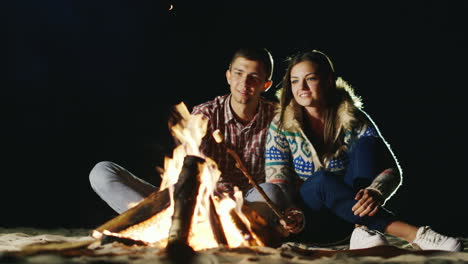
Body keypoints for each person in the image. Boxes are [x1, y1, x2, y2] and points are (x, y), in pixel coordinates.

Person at [263, 49, 463, 251]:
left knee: (366, 144)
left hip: (352, 218)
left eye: (310, 78)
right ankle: (415, 234)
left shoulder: (353, 117)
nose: (302, 87)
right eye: (295, 81)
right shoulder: (281, 125)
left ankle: (362, 229)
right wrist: (290, 212)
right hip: (309, 219)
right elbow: (278, 185)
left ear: (328, 80)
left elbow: (391, 170)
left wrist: (375, 191)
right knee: (322, 180)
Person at [89, 48, 285, 222]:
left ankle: (207, 228)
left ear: (266, 85)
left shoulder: (277, 117)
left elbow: (280, 177)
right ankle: (166, 224)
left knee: (273, 192)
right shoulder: (205, 113)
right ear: (228, 76)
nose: (244, 83)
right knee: (102, 172)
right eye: (239, 73)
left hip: (245, 207)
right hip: (197, 203)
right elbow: (190, 171)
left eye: (254, 77)